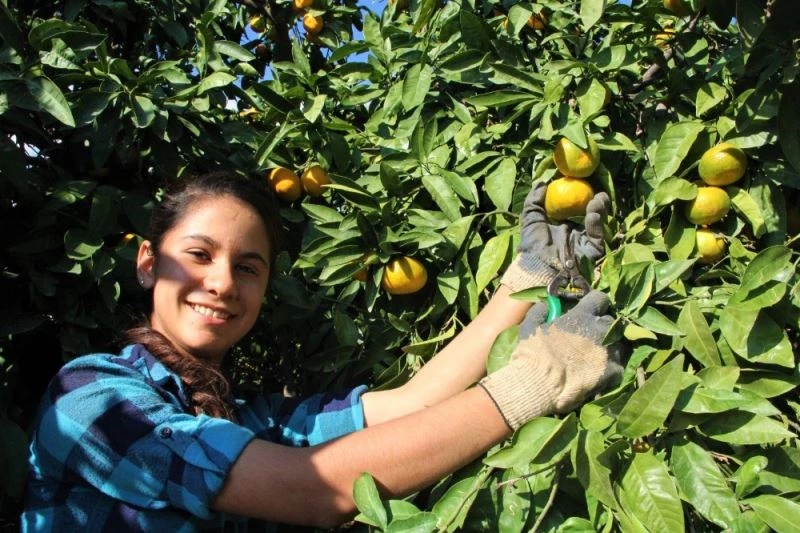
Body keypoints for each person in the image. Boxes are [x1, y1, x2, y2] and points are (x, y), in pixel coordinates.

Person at [21, 170, 617, 531]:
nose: (222, 283)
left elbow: (412, 404)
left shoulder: (249, 419)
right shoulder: (90, 399)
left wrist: (530, 280)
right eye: (199, 255)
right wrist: (531, 385)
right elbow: (312, 489)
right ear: (148, 263)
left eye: (247, 268)